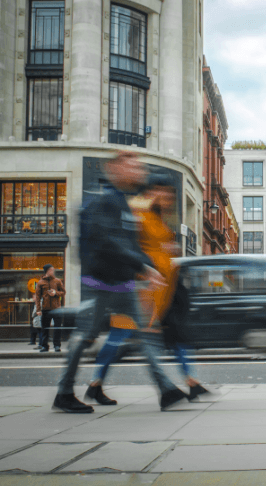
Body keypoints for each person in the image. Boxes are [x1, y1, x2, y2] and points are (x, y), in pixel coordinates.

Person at [53, 151, 187, 414]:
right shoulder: (105, 201)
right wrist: (144, 267)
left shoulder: (124, 203)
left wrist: (148, 267)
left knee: (147, 335)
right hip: (100, 283)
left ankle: (166, 390)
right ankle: (64, 392)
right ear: (115, 169)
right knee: (85, 338)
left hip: (123, 283)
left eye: (139, 167)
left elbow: (132, 245)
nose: (140, 171)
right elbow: (108, 241)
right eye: (133, 166)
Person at [86, 176, 209, 404]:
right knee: (122, 336)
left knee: (138, 336)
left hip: (162, 289)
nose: (169, 199)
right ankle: (164, 390)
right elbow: (129, 247)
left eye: (171, 195)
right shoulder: (138, 210)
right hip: (141, 287)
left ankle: (96, 385)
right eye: (164, 193)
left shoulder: (157, 215)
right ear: (153, 190)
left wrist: (170, 250)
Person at [36, 264, 66, 352]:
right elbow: (37, 297)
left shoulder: (57, 281)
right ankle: (45, 346)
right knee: (44, 328)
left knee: (57, 328)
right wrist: (38, 309)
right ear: (46, 271)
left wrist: (55, 293)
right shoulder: (40, 282)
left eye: (53, 270)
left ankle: (57, 346)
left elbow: (63, 292)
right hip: (45, 309)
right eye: (50, 270)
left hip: (57, 309)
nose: (52, 271)